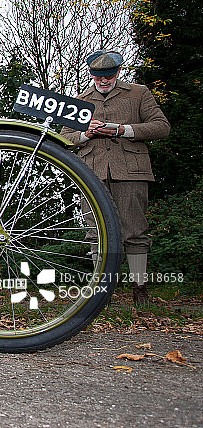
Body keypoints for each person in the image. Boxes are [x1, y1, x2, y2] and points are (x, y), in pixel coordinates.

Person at [61, 50, 170, 305]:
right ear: (91, 75)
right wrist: (87, 134)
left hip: (131, 170)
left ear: (118, 72)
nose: (104, 81)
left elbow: (161, 127)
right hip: (91, 173)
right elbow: (64, 138)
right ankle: (101, 290)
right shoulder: (80, 101)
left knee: (134, 231)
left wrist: (123, 130)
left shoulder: (138, 93)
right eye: (98, 77)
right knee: (95, 232)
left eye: (109, 76)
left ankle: (139, 287)